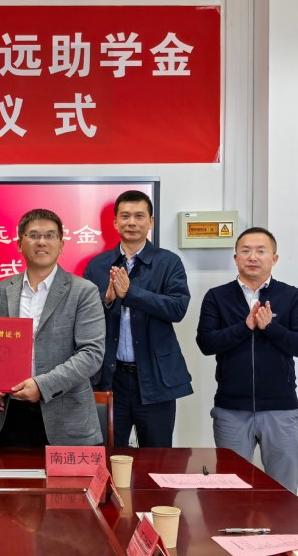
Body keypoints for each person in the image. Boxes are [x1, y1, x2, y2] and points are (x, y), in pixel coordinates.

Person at [196, 227, 298, 492]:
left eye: (261, 251)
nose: (253, 257)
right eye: (246, 251)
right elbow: (206, 343)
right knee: (230, 491)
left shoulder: (291, 296)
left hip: (281, 409)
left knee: (283, 491)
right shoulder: (217, 297)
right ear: (235, 257)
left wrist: (270, 327)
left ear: (274, 258)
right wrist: (245, 327)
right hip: (231, 410)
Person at [0, 209, 105, 447]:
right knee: (12, 472)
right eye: (34, 235)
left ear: (61, 245)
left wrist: (42, 385)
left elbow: (91, 354)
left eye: (50, 235)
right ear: (20, 244)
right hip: (12, 415)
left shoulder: (84, 291)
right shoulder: (1, 290)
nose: (42, 242)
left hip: (67, 416)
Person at [84, 190, 192, 447]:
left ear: (151, 222)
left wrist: (131, 294)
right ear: (115, 222)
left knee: (158, 458)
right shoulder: (97, 266)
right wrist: (107, 299)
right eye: (125, 216)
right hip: (110, 378)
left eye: (139, 216)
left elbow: (177, 308)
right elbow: (82, 317)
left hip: (155, 377)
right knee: (107, 455)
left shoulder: (169, 262)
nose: (131, 222)